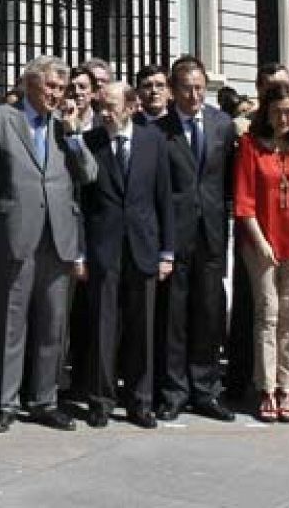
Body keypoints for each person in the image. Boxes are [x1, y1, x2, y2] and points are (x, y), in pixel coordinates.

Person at [0, 56, 93, 433]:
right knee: (11, 322)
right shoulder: (0, 120)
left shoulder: (65, 127)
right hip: (14, 237)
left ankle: (45, 400)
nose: (56, 95)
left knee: (52, 324)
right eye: (50, 87)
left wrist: (74, 134)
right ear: (29, 84)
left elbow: (89, 174)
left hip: (58, 237)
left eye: (61, 89)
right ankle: (4, 402)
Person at [76, 80, 172, 429]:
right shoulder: (91, 142)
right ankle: (100, 400)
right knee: (103, 327)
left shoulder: (153, 142)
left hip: (144, 247)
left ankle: (140, 401)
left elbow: (164, 199)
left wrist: (167, 252)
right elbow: (82, 204)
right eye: (100, 106)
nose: (104, 112)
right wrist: (81, 253)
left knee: (142, 328)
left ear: (131, 107)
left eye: (111, 106)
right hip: (104, 248)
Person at [152, 56, 236, 422]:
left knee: (208, 312)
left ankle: (206, 389)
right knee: (174, 315)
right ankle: (174, 391)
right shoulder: (158, 131)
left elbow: (230, 179)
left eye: (200, 87)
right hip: (175, 233)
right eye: (186, 88)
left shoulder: (222, 125)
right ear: (173, 90)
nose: (194, 95)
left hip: (213, 233)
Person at [233, 83, 289, 423]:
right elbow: (244, 201)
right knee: (267, 315)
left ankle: (288, 385)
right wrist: (261, 241)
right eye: (277, 111)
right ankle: (266, 386)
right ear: (266, 113)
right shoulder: (251, 146)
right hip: (261, 243)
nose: (284, 118)